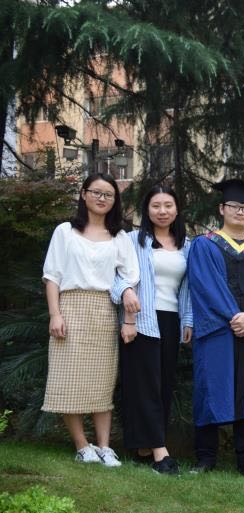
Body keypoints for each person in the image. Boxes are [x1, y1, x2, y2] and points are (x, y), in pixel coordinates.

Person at [42, 173, 139, 466]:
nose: (101, 198)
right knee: (68, 378)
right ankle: (82, 445)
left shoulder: (119, 237)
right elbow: (52, 275)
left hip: (103, 310)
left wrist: (129, 319)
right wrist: (55, 314)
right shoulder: (65, 231)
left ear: (114, 200)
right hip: (70, 307)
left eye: (108, 194)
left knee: (102, 380)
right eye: (96, 192)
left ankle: (105, 447)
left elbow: (130, 277)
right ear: (84, 194)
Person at [187, 179, 244, 477]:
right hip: (216, 331)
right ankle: (205, 458)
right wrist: (235, 317)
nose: (240, 211)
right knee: (210, 388)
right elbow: (205, 286)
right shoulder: (204, 245)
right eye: (235, 206)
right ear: (221, 209)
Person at [110, 185, 192, 475]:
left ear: (177, 209)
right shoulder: (133, 240)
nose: (162, 211)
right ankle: (160, 451)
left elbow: (187, 288)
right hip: (141, 320)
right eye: (156, 206)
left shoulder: (187, 245)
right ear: (147, 210)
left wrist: (188, 320)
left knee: (163, 386)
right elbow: (116, 276)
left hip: (171, 321)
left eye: (168, 205)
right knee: (145, 386)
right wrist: (126, 297)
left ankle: (143, 448)